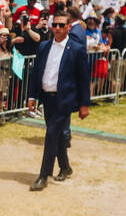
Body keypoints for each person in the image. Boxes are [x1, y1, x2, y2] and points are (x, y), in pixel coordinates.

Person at [26, 14, 90, 191]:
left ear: (69, 26)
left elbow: (83, 79)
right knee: (59, 135)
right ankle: (65, 167)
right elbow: (36, 72)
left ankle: (43, 175)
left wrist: (85, 104)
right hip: (47, 98)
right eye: (55, 25)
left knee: (51, 134)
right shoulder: (44, 46)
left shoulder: (76, 49)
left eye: (62, 25)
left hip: (65, 99)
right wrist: (32, 96)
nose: (58, 28)